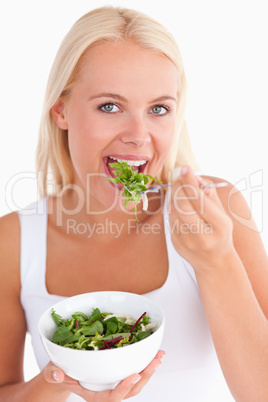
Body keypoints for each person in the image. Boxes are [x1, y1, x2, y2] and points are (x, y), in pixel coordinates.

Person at [0, 5, 267, 402]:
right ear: (62, 111)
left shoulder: (217, 210)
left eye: (158, 109)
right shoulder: (13, 241)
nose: (139, 136)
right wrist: (60, 378)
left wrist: (217, 261)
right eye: (110, 106)